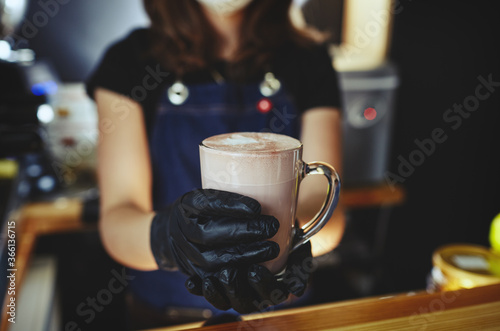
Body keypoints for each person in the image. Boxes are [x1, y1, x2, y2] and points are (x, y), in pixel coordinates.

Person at [86, 0, 345, 328]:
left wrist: (290, 241)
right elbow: (118, 219)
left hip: (285, 316)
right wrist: (169, 238)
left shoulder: (309, 58)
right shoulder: (129, 62)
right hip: (170, 318)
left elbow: (326, 210)